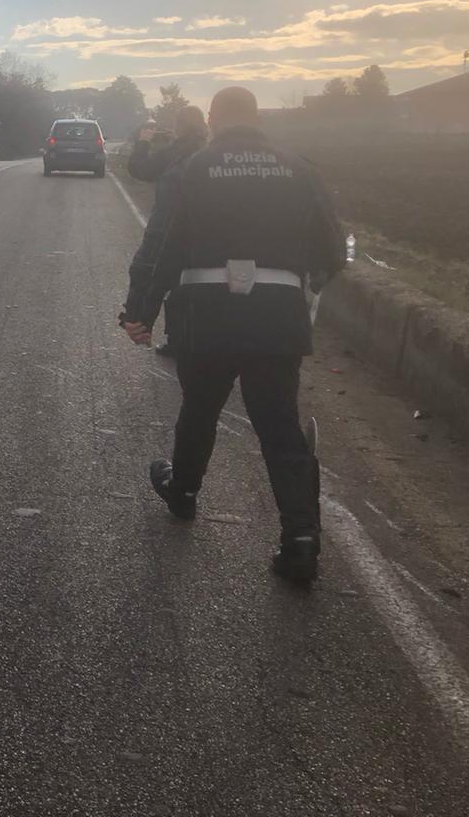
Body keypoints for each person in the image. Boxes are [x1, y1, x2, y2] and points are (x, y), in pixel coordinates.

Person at [121, 86, 346, 584]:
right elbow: (333, 253)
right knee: (279, 425)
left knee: (200, 408)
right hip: (277, 316)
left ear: (212, 118)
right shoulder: (300, 168)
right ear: (258, 117)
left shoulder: (193, 170)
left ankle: (182, 492)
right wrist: (299, 287)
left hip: (207, 315)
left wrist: (143, 310)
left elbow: (166, 247)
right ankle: (301, 539)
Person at [123, 106, 209, 357]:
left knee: (144, 272)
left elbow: (140, 169)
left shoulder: (175, 152)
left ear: (179, 126)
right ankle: (177, 338)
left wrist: (143, 143)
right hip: (203, 234)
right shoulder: (209, 151)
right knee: (183, 285)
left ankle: (137, 324)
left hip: (164, 228)